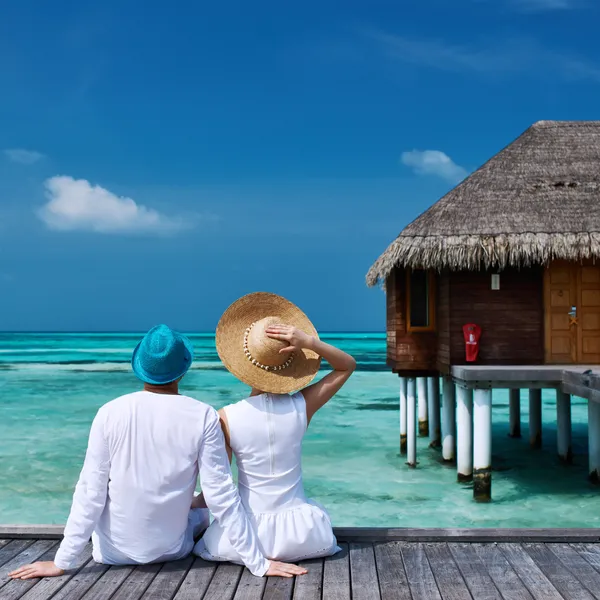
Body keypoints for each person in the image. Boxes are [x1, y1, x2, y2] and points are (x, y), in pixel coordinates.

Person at [9, 324, 306, 580]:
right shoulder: (202, 415)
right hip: (172, 551)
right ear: (183, 369)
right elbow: (220, 496)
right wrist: (257, 562)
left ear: (139, 365)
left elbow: (90, 492)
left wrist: (61, 563)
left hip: (110, 553)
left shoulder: (109, 412)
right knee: (200, 509)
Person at [192, 292, 356, 564]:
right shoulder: (302, 406)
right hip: (305, 537)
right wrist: (310, 343)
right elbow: (346, 366)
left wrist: (187, 501)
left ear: (243, 365)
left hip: (245, 539)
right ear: (288, 362)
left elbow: (216, 490)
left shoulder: (225, 417)